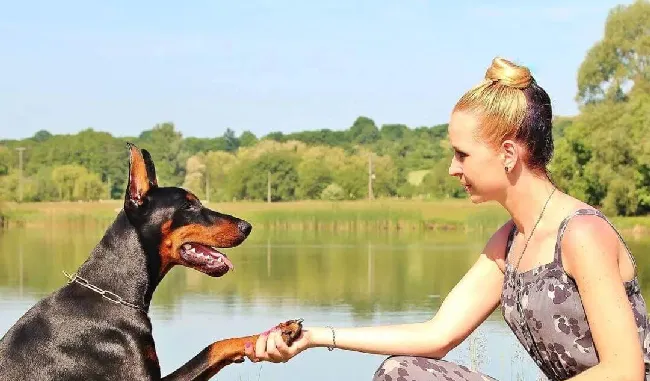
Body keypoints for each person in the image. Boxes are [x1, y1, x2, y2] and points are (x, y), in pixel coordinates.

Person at [243, 57, 650, 381]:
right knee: (400, 373)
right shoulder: (509, 243)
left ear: (508, 154)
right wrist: (314, 337)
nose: (452, 169)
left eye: (463, 154)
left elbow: (624, 371)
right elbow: (436, 335)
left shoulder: (581, 234)